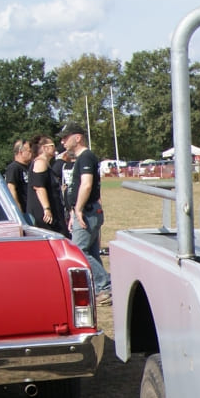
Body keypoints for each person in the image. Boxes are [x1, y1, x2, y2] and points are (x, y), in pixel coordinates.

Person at [59, 124, 110, 297]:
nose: (62, 141)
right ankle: (101, 287)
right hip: (84, 211)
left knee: (78, 251)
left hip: (87, 211)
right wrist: (74, 211)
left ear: (78, 138)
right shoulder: (82, 158)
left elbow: (86, 185)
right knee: (91, 252)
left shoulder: (86, 157)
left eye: (66, 137)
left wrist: (78, 209)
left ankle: (105, 286)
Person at [25, 135, 64, 234]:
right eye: (52, 145)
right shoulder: (40, 163)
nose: (55, 148)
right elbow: (39, 187)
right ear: (44, 148)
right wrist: (47, 208)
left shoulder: (46, 164)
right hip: (43, 214)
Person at [4, 138, 33, 216]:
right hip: (23, 211)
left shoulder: (29, 167)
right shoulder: (14, 168)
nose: (32, 153)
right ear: (21, 152)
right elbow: (11, 188)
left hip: (30, 210)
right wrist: (18, 209)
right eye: (29, 151)